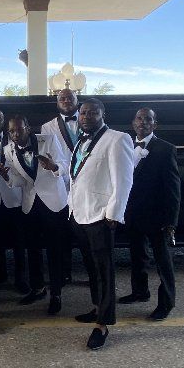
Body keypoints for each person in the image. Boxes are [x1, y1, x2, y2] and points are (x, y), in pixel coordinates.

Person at [67, 98, 135, 350]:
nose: (85, 116)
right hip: (79, 213)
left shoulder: (117, 139)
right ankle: (97, 308)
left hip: (101, 216)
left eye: (92, 113)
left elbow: (124, 180)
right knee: (91, 269)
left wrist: (114, 214)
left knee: (104, 271)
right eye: (82, 112)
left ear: (103, 114)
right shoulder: (80, 141)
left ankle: (103, 324)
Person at [0, 115, 68, 316]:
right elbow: (20, 179)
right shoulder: (8, 150)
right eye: (11, 131)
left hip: (53, 202)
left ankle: (56, 294)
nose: (16, 134)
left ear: (28, 127)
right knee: (33, 250)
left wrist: (54, 166)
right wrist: (7, 177)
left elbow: (64, 165)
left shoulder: (48, 140)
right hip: (30, 204)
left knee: (55, 250)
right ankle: (38, 288)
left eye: (19, 129)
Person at [121, 107, 181, 321]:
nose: (143, 122)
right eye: (139, 118)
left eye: (148, 119)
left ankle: (166, 303)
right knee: (137, 256)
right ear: (133, 122)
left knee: (163, 261)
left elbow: (173, 189)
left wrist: (170, 221)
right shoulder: (125, 145)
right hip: (132, 214)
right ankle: (139, 292)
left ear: (155, 125)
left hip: (156, 216)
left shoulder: (166, 149)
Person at [0, 107, 28, 292]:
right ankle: (0, 273)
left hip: (13, 197)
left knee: (19, 240)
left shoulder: (15, 140)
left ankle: (21, 278)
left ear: (4, 122)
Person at [41, 88, 81, 284]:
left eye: (70, 97)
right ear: (57, 103)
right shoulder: (47, 127)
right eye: (62, 98)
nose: (66, 101)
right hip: (61, 185)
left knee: (86, 233)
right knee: (62, 233)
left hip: (85, 185)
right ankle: (65, 272)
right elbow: (51, 156)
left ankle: (92, 272)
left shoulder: (88, 120)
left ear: (77, 100)